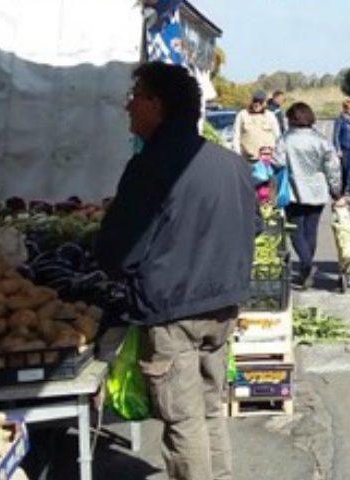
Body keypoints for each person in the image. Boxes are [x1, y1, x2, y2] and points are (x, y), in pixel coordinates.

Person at [96, 62, 256, 480]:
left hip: (172, 309)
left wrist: (118, 271)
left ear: (156, 104)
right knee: (209, 410)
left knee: (183, 421)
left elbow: (118, 250)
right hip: (222, 304)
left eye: (135, 96)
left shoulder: (150, 167)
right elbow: (252, 226)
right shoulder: (231, 164)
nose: (128, 106)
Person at [274, 102, 343, 288]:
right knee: (311, 230)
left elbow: (277, 162)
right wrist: (336, 191)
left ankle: (307, 265)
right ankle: (306, 269)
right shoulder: (320, 140)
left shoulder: (285, 140)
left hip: (294, 190)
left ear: (292, 119)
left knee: (296, 231)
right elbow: (333, 168)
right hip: (318, 191)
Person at [232, 90, 281, 159]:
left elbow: (278, 137)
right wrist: (238, 155)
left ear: (265, 103)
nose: (257, 104)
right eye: (255, 101)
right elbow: (235, 136)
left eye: (260, 102)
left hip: (266, 159)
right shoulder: (242, 115)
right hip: (247, 159)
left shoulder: (270, 116)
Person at [333, 98, 350, 196]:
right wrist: (338, 149)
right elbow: (336, 135)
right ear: (345, 109)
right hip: (344, 146)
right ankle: (343, 187)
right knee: (344, 168)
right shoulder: (340, 119)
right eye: (349, 108)